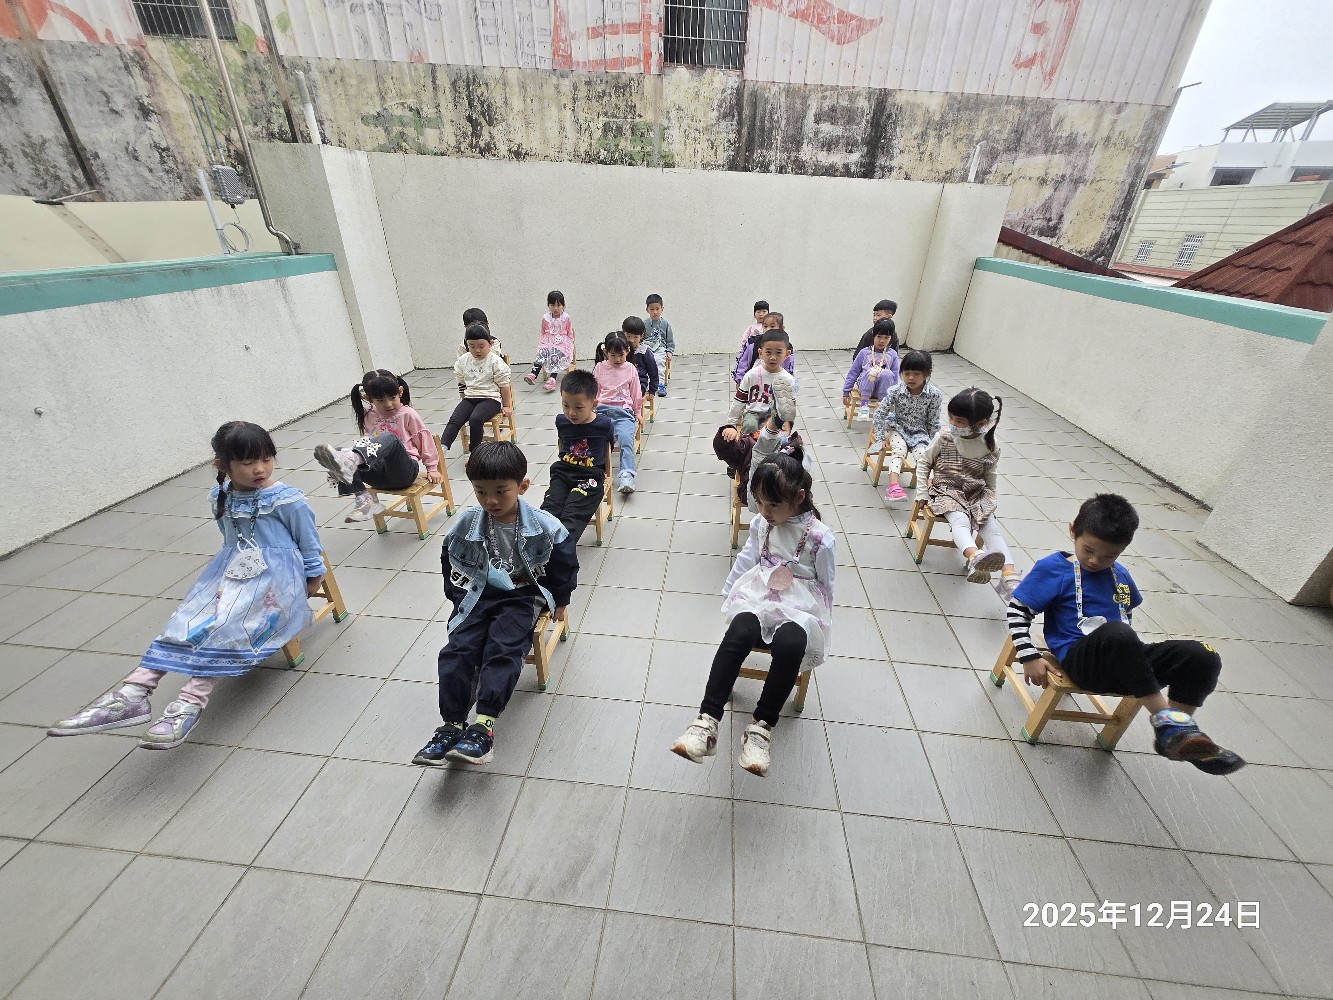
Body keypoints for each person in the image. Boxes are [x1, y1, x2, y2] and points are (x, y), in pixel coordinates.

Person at [49, 422, 326, 750]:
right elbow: (230, 541)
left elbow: (309, 542)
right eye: (248, 462)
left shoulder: (285, 499)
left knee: (228, 622)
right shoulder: (219, 497)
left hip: (278, 580)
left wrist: (313, 577)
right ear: (222, 465)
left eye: (266, 459)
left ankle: (190, 702)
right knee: (188, 617)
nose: (260, 469)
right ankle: (133, 693)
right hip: (233, 573)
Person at [1007, 494, 1246, 775]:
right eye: (1088, 550)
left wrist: (1131, 656)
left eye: (1109, 555)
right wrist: (1029, 656)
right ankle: (1170, 726)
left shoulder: (1119, 575)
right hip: (1082, 663)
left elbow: (1125, 614)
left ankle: (1178, 736)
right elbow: (1017, 610)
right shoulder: (1055, 568)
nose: (1095, 560)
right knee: (1117, 633)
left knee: (1202, 655)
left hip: (1126, 663)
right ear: (1073, 530)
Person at [671, 448, 835, 777]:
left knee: (790, 644)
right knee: (739, 631)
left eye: (773, 504)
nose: (765, 511)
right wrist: (729, 592)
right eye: (760, 502)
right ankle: (706, 721)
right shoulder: (762, 523)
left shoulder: (820, 537)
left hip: (800, 603)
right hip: (760, 592)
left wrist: (821, 624)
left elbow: (826, 584)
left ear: (799, 496)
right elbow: (748, 557)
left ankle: (761, 728)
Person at [412, 442, 578, 766]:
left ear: (522, 486)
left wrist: (561, 599)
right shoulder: (468, 521)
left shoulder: (544, 524)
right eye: (481, 491)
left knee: (502, 647)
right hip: (479, 593)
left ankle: (484, 727)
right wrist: (458, 598)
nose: (491, 500)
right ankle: (452, 725)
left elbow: (565, 562)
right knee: (457, 650)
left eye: (501, 491)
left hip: (522, 595)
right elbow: (449, 558)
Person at [915, 387, 1019, 595]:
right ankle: (974, 557)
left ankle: (1009, 574)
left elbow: (990, 473)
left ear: (980, 424)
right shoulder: (944, 437)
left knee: (990, 526)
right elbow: (924, 462)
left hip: (976, 492)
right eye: (951, 418)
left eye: (960, 421)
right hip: (946, 490)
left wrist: (991, 496)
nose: (953, 423)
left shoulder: (989, 443)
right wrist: (922, 493)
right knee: (960, 520)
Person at [313, 369, 440, 522]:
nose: (388, 404)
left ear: (400, 392)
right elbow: (368, 443)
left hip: (403, 473)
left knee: (389, 437)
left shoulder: (408, 414)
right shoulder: (369, 415)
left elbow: (424, 440)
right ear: (369, 398)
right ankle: (366, 501)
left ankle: (351, 460)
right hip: (378, 475)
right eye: (380, 400)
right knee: (339, 452)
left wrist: (432, 468)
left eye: (392, 398)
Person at [540, 369, 615, 543]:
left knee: (573, 512)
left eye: (578, 407)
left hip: (590, 476)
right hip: (563, 473)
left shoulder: (603, 425)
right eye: (565, 405)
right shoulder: (561, 421)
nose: (571, 413)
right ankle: (540, 543)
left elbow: (608, 446)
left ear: (594, 404)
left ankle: (562, 547)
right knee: (550, 507)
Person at [871, 350, 943, 501]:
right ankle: (893, 486)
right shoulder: (896, 391)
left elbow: (933, 422)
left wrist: (934, 445)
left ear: (927, 373)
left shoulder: (934, 394)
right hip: (897, 427)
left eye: (916, 373)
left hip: (920, 432)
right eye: (907, 373)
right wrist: (880, 437)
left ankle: (931, 488)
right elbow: (879, 413)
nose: (911, 377)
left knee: (923, 455)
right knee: (899, 450)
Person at [441, 323, 513, 454]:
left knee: (475, 419)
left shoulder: (495, 361)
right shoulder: (464, 360)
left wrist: (507, 406)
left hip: (490, 400)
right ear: (467, 345)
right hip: (470, 398)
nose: (477, 350)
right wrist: (463, 400)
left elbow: (504, 385)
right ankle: (442, 448)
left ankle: (475, 453)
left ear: (490, 344)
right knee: (455, 419)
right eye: (472, 346)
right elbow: (461, 382)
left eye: (481, 346)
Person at [594, 331, 643, 495]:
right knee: (597, 440)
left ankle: (627, 475)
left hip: (623, 412)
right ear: (605, 352)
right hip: (601, 411)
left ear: (627, 351)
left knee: (626, 440)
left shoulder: (630, 368)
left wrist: (638, 412)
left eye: (621, 355)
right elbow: (594, 391)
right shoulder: (599, 367)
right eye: (613, 355)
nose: (617, 359)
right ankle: (598, 472)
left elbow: (636, 393)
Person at [726, 330, 797, 439]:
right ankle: (747, 446)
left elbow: (790, 407)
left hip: (775, 415)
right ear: (760, 353)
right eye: (768, 352)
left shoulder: (788, 379)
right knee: (750, 425)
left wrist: (786, 424)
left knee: (778, 434)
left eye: (778, 353)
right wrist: (731, 424)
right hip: (753, 413)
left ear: (787, 354)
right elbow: (739, 400)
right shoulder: (751, 375)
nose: (773, 357)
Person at [842, 317, 900, 421]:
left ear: (891, 338)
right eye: (879, 336)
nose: (882, 340)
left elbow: (895, 377)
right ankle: (864, 406)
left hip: (882, 389)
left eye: (886, 337)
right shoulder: (864, 352)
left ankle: (883, 407)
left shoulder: (893, 354)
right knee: (871, 371)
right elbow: (853, 372)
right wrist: (846, 392)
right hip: (864, 387)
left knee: (888, 373)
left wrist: (895, 396)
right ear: (873, 335)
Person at [527, 290, 575, 391]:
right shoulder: (546, 318)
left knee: (555, 354)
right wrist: (543, 343)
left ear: (563, 305)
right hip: (548, 341)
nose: (555, 308)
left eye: (558, 305)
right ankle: (533, 374)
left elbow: (570, 332)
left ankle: (552, 379)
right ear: (548, 305)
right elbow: (543, 331)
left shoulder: (566, 317)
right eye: (552, 305)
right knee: (542, 353)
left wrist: (570, 344)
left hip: (562, 343)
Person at [733, 311, 795, 385]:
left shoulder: (786, 346)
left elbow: (788, 367)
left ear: (781, 328)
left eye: (772, 326)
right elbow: (743, 362)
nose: (768, 329)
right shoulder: (753, 343)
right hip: (754, 381)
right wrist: (739, 380)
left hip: (776, 383)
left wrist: (786, 383)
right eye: (765, 326)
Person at [620, 315, 660, 397]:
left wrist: (652, 390)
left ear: (641, 336)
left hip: (639, 383)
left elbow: (653, 372)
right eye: (628, 336)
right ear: (623, 334)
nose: (631, 340)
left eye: (636, 337)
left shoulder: (644, 352)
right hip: (621, 382)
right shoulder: (620, 350)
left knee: (629, 395)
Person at [643, 293, 674, 396]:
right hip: (647, 346)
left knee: (659, 360)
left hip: (660, 347)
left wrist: (669, 352)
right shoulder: (645, 323)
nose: (655, 312)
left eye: (657, 309)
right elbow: (641, 338)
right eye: (652, 309)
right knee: (645, 361)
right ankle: (647, 383)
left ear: (662, 309)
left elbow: (670, 340)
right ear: (647, 310)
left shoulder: (665, 324)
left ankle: (660, 383)